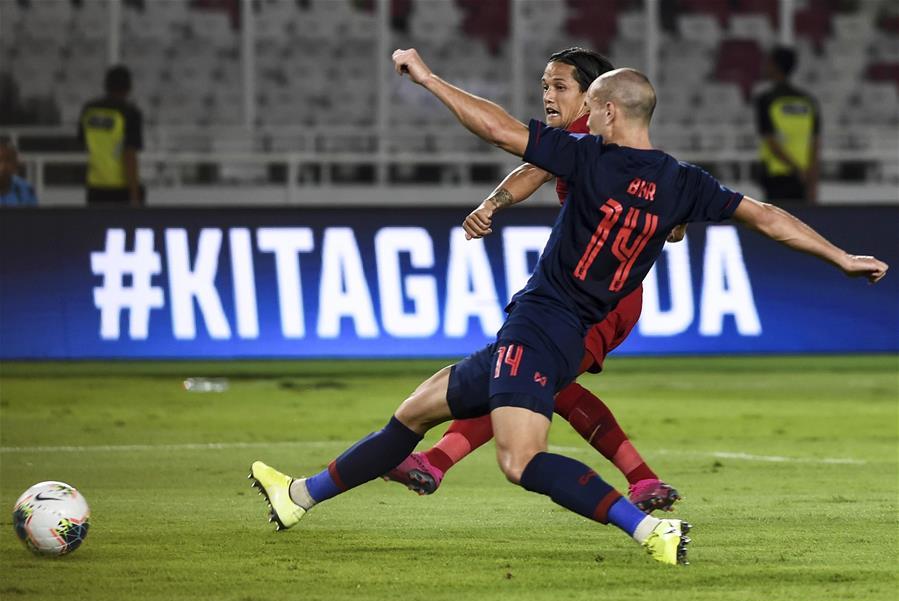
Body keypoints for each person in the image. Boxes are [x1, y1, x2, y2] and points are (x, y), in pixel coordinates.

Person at [249, 50, 887, 567]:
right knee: (415, 411)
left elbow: (499, 129)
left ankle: (648, 530)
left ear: (606, 112)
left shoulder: (590, 158)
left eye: (586, 105)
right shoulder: (684, 184)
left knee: (518, 461)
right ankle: (298, 496)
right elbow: (768, 217)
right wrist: (841, 257)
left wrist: (428, 77)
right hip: (560, 328)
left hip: (542, 324)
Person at [383, 48, 682, 513]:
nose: (547, 95)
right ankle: (643, 480)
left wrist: (491, 206)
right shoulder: (593, 138)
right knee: (534, 380)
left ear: (593, 97)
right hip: (595, 294)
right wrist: (492, 204)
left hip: (600, 299)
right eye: (545, 86)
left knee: (520, 378)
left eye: (560, 86)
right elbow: (536, 169)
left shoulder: (595, 140)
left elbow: (525, 156)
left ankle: (436, 460)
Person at [754, 46, 820, 202]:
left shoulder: (766, 100)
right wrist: (812, 182)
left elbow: (771, 141)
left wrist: (795, 169)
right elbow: (815, 144)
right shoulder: (808, 101)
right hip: (803, 178)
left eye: (768, 63)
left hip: (777, 176)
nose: (765, 67)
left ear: (776, 66)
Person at [78, 65, 145, 205]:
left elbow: (84, 143)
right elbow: (129, 154)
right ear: (129, 87)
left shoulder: (89, 110)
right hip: (121, 187)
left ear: (106, 85)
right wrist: (135, 194)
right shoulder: (129, 112)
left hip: (94, 185)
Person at [0, 138, 38, 206]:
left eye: (8, 160)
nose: (3, 166)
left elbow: (34, 216)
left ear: (15, 164)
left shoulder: (26, 189)